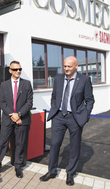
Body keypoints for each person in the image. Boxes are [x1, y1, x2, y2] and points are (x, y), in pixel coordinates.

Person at [39, 56, 95, 186]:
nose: (66, 69)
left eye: (69, 66)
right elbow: (54, 96)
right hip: (58, 116)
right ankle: (52, 171)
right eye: (64, 66)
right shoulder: (58, 79)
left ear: (76, 66)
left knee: (75, 146)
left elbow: (89, 100)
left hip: (75, 117)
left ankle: (70, 173)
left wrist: (85, 115)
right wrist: (54, 107)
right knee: (55, 144)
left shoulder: (84, 80)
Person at [0, 61, 33, 179]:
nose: (18, 71)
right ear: (10, 71)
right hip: (8, 119)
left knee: (19, 144)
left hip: (22, 119)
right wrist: (12, 115)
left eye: (20, 69)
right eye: (15, 69)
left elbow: (29, 102)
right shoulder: (4, 85)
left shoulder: (27, 84)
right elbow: (1, 103)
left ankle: (18, 167)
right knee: (2, 144)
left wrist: (18, 114)